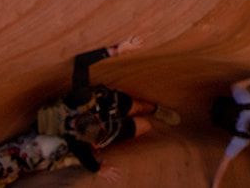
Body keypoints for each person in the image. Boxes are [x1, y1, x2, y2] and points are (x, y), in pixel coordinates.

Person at [34, 37, 177, 172]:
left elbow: (81, 62)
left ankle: (156, 109)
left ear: (93, 115)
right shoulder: (76, 141)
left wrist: (117, 50)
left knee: (137, 106)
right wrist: (97, 169)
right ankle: (145, 113)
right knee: (146, 125)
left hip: (107, 104)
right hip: (109, 122)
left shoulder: (80, 99)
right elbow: (85, 157)